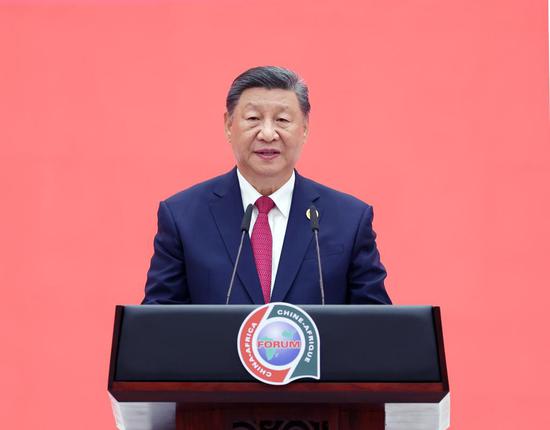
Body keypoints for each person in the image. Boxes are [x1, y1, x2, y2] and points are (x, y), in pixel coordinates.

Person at [142, 66, 391, 305]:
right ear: (229, 125)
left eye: (282, 120)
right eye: (253, 118)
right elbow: (158, 323)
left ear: (304, 128)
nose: (268, 133)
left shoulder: (349, 219)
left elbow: (376, 327)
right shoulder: (183, 217)